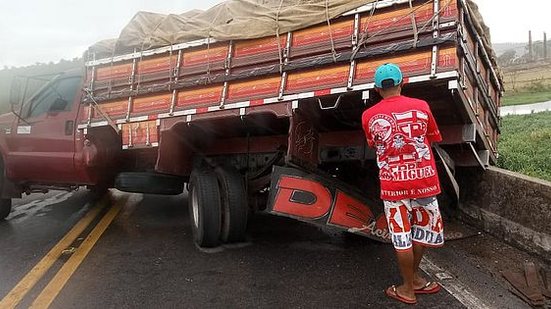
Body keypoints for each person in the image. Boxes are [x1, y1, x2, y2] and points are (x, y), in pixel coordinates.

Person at [361, 63, 444, 305]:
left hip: (393, 187)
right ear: (402, 82)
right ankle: (415, 279)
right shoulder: (422, 107)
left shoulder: (369, 116)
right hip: (425, 183)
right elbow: (432, 136)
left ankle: (408, 286)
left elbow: (374, 144)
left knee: (402, 237)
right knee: (420, 232)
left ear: (377, 89)